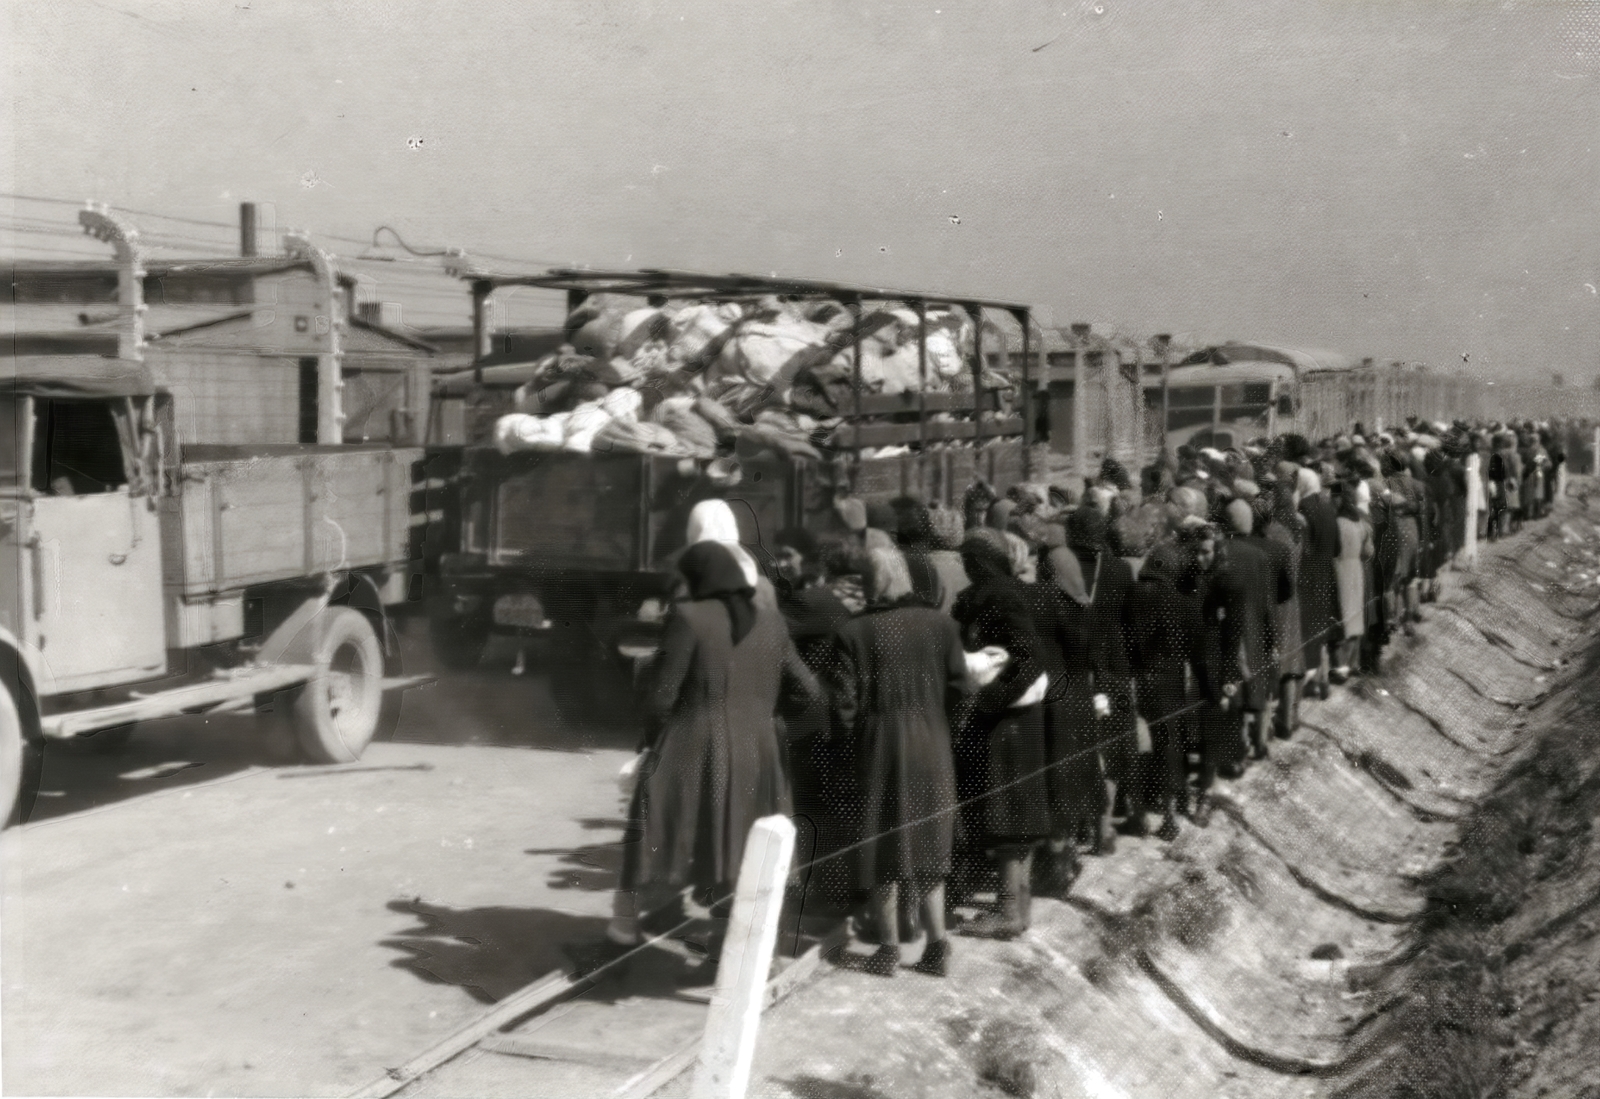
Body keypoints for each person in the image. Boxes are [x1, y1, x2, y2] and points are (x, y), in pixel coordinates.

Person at [599, 541, 820, 978]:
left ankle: (622, 929)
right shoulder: (772, 621)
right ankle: (745, 952)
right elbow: (809, 692)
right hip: (758, 750)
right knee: (741, 847)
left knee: (652, 829)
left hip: (694, 744)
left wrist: (649, 743)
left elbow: (663, 697)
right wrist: (766, 719)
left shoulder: (690, 617)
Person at [828, 548, 970, 977]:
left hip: (879, 747)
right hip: (933, 744)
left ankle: (887, 950)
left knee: (880, 845)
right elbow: (964, 688)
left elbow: (843, 706)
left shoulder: (853, 633)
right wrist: (945, 727)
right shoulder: (942, 626)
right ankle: (937, 946)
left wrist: (850, 746)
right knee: (929, 846)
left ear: (870, 584)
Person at [951, 528, 1053, 940]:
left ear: (979, 563)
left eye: (969, 562)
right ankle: (1019, 905)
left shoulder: (999, 598)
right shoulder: (1013, 591)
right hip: (1019, 716)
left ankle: (1008, 910)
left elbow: (1029, 656)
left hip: (1007, 721)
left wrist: (990, 699)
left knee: (1007, 809)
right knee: (1016, 807)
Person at [1296, 467, 1340, 701]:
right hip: (1326, 576)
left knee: (1307, 634)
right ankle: (1322, 680)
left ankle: (1311, 682)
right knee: (1319, 633)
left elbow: (1304, 550)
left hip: (1308, 580)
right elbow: (1335, 548)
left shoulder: (1304, 510)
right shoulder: (1327, 508)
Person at [1330, 481, 1374, 682]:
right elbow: (1369, 552)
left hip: (1339, 570)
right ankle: (1353, 662)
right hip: (1357, 570)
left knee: (1340, 617)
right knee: (1355, 615)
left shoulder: (1335, 523)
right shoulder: (1361, 523)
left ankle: (1340, 667)